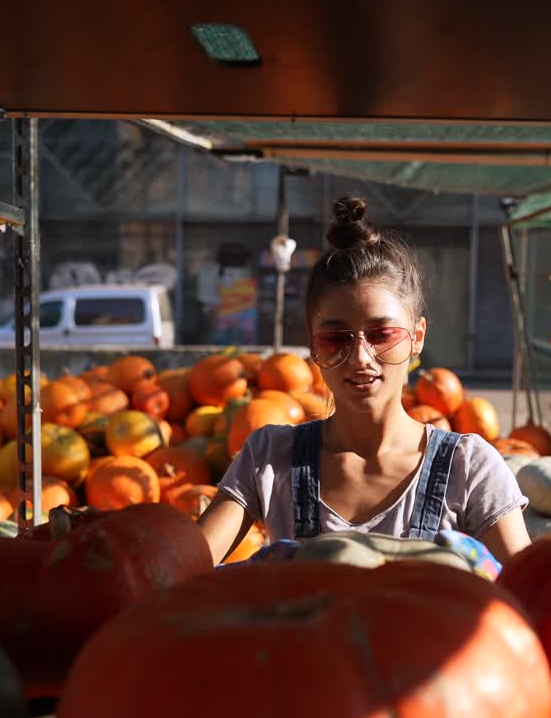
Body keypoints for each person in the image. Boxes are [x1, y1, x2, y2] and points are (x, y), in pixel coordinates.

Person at [197, 196, 530, 567]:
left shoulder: (468, 468)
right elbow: (182, 569)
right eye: (336, 338)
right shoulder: (270, 458)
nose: (360, 358)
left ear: (417, 336)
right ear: (312, 342)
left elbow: (528, 593)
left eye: (381, 334)